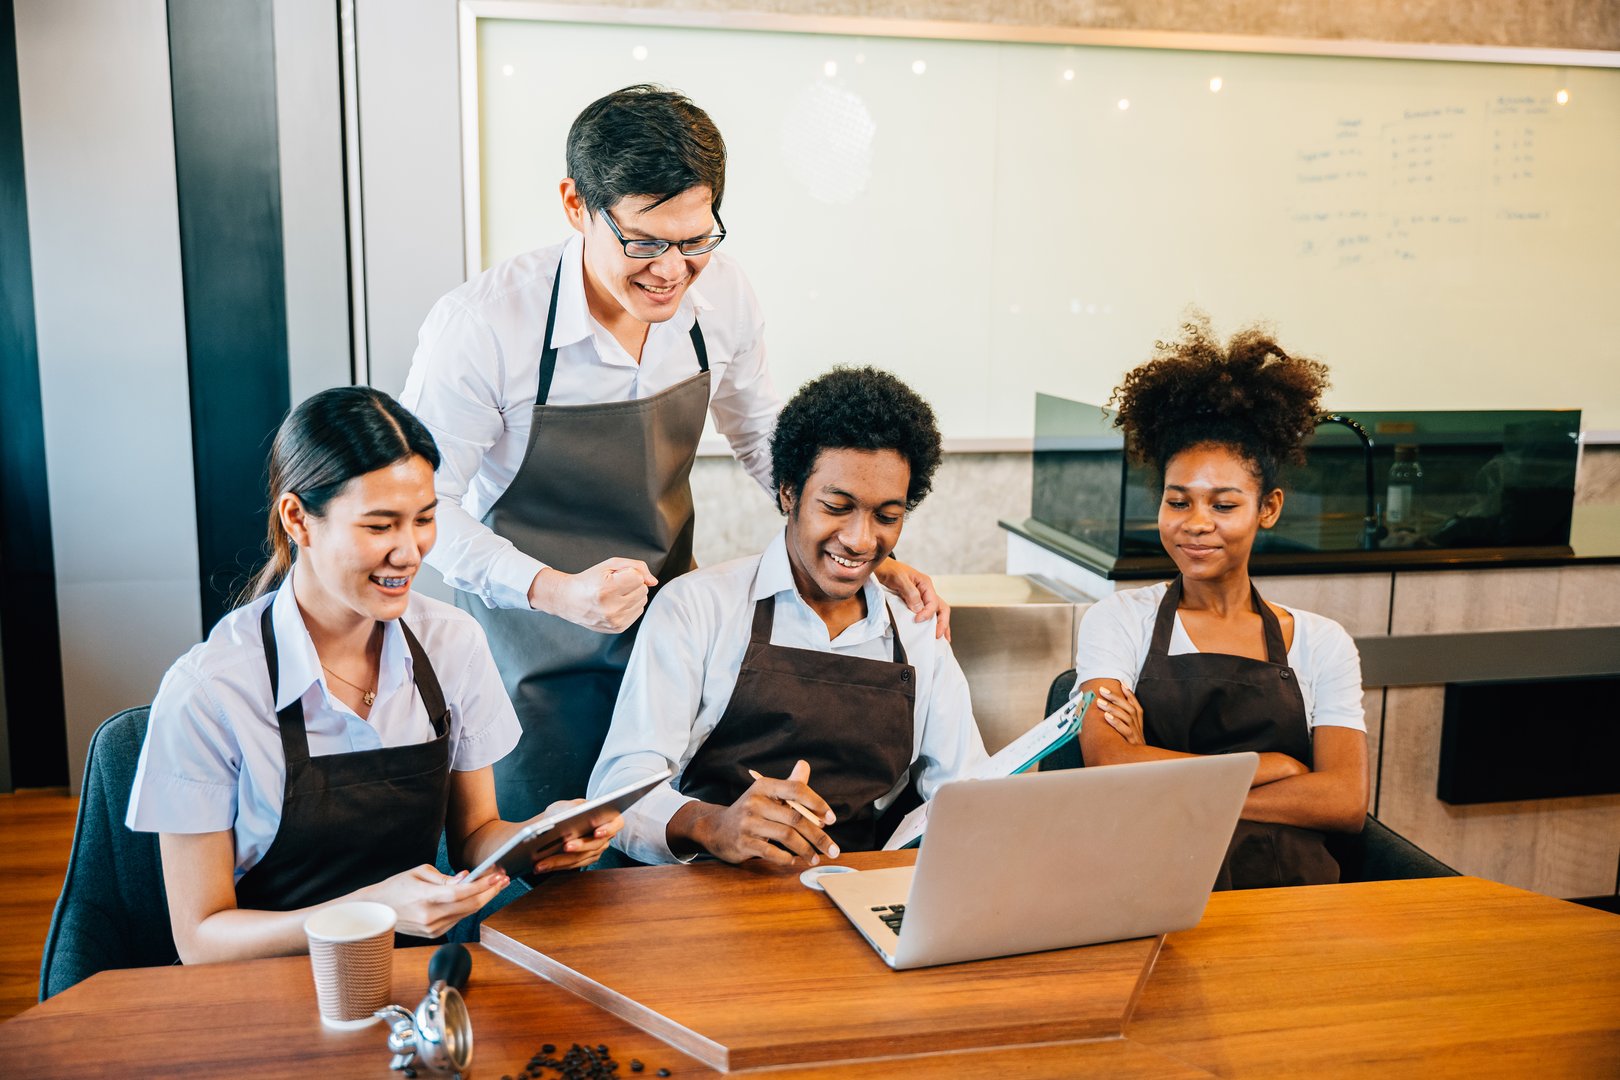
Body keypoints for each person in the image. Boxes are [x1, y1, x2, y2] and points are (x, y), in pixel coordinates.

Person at [400, 85, 947, 825]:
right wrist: (556, 592)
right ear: (575, 205)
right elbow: (427, 510)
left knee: (668, 844)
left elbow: (763, 438)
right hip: (524, 654)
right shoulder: (483, 327)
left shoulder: (723, 299)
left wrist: (856, 545)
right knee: (543, 861)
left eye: (694, 242)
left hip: (666, 634)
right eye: (644, 242)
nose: (671, 271)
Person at [126, 388, 620, 963]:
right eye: (380, 526)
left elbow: (474, 836)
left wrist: (538, 838)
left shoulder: (451, 644)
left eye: (425, 519)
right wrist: (366, 913)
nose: (409, 552)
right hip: (262, 989)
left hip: (411, 976)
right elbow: (200, 939)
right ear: (297, 519)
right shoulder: (210, 692)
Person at [587, 367, 990, 866]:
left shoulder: (916, 629)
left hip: (854, 887)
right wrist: (712, 825)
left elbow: (968, 792)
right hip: (704, 891)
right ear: (787, 492)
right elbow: (619, 789)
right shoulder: (698, 607)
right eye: (836, 506)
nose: (861, 540)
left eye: (887, 516)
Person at [1074, 315, 1368, 889]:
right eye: (1178, 502)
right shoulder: (1119, 620)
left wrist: (1166, 776)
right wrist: (1269, 769)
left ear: (1269, 508)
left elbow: (1343, 802)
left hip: (1292, 896)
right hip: (1151, 883)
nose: (1196, 524)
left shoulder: (1322, 643)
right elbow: (1109, 763)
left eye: (1224, 505)